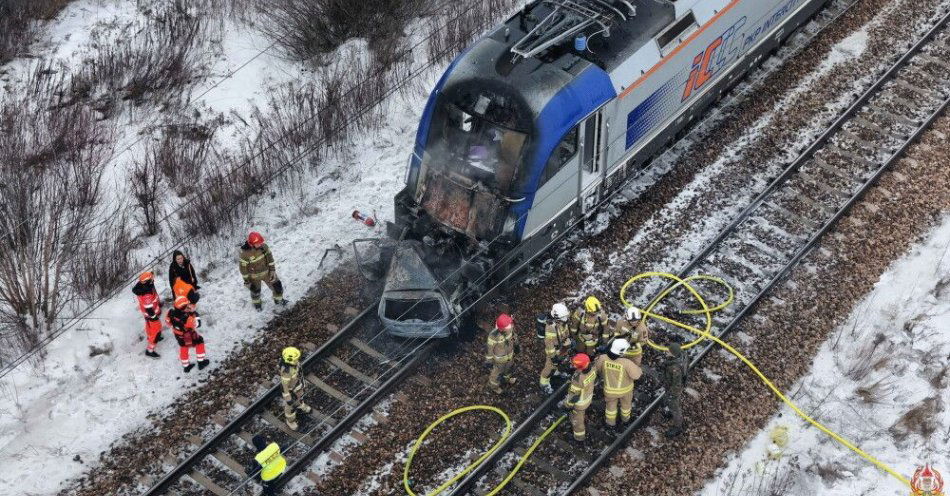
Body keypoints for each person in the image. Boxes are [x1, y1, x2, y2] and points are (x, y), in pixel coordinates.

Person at [594, 339, 642, 429]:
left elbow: (597, 369)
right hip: (626, 391)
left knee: (610, 407)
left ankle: (610, 423)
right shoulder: (627, 363)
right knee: (626, 406)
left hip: (609, 390)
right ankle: (625, 420)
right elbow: (636, 376)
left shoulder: (602, 358)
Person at [240, 231, 285, 311]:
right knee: (255, 292)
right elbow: (243, 269)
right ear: (251, 244)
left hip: (267, 273)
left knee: (277, 287)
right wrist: (247, 281)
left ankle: (279, 300)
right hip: (254, 277)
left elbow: (270, 259)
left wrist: (272, 271)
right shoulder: (245, 254)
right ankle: (257, 304)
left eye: (261, 242)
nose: (260, 244)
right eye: (258, 243)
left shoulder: (264, 247)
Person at [166, 296, 209, 373]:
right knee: (200, 342)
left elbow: (168, 323)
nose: (188, 307)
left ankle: (186, 366)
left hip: (178, 335)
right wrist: (194, 313)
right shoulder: (187, 318)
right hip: (189, 336)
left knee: (183, 347)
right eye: (187, 306)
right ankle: (201, 362)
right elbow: (198, 324)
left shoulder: (170, 313)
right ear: (182, 308)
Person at [560, 353, 597, 442]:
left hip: (579, 404)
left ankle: (579, 438)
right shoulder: (593, 369)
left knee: (577, 421)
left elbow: (574, 395)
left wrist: (567, 405)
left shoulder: (577, 379)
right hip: (588, 396)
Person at [540, 303, 573, 394]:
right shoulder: (551, 327)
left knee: (561, 362)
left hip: (563, 348)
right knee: (549, 368)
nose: (566, 319)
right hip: (555, 351)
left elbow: (565, 333)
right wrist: (553, 357)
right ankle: (544, 384)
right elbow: (549, 344)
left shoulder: (563, 322)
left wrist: (568, 341)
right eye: (564, 318)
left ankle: (558, 372)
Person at [659, 341, 688, 438]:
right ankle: (671, 414)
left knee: (674, 408)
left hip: (673, 389)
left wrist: (672, 394)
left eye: (669, 351)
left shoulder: (675, 368)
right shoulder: (680, 357)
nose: (667, 352)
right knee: (669, 402)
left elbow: (677, 384)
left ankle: (678, 427)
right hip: (670, 386)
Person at [279, 346, 312, 431]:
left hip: (298, 386)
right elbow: (284, 386)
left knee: (300, 397)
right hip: (291, 391)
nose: (298, 360)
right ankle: (290, 420)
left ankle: (301, 405)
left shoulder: (295, 364)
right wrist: (288, 398)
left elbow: (298, 372)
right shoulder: (286, 372)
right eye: (296, 359)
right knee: (290, 407)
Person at [132, 272, 163, 359]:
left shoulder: (143, 285)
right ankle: (150, 350)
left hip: (147, 314)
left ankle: (150, 338)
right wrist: (154, 317)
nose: (153, 279)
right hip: (151, 315)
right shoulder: (147, 294)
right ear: (147, 281)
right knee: (157, 331)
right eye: (151, 279)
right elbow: (149, 309)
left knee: (149, 326)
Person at [485, 313, 517, 394]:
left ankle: (506, 379)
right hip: (500, 361)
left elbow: (514, 337)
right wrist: (489, 361)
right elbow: (490, 349)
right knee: (497, 374)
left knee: (509, 369)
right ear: (502, 328)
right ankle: (494, 387)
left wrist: (517, 345)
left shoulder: (510, 329)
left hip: (510, 356)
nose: (511, 325)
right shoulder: (493, 335)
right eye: (509, 324)